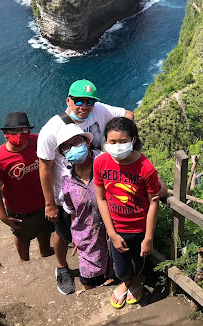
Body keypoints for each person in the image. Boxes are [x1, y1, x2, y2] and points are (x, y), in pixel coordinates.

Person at [38, 79, 133, 295]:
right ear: (68, 101)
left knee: (102, 232)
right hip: (67, 194)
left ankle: (107, 269)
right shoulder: (51, 130)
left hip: (99, 187)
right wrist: (50, 203)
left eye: (89, 101)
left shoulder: (98, 110)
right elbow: (44, 168)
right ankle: (62, 267)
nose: (84, 106)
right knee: (64, 233)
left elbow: (128, 115)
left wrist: (119, 145)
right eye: (78, 101)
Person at [94, 117, 160, 309]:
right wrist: (112, 233)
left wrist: (148, 237)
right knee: (121, 266)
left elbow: (154, 203)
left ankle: (136, 281)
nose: (117, 146)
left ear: (133, 139)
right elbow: (101, 198)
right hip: (116, 226)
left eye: (123, 141)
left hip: (140, 228)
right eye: (112, 142)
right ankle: (125, 281)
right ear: (105, 140)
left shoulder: (145, 168)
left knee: (139, 261)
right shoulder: (100, 163)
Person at [0, 112, 55, 261]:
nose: (19, 134)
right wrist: (2, 215)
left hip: (45, 202)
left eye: (23, 130)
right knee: (22, 236)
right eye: (14, 131)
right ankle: (24, 261)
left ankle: (46, 251)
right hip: (20, 209)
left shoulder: (39, 141)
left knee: (45, 230)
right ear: (5, 134)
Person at [58, 123, 111, 290]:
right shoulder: (66, 179)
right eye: (67, 147)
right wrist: (76, 237)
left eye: (76, 142)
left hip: (114, 236)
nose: (73, 148)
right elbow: (72, 212)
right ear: (63, 154)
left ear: (87, 143)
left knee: (118, 274)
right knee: (89, 282)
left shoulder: (106, 164)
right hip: (88, 240)